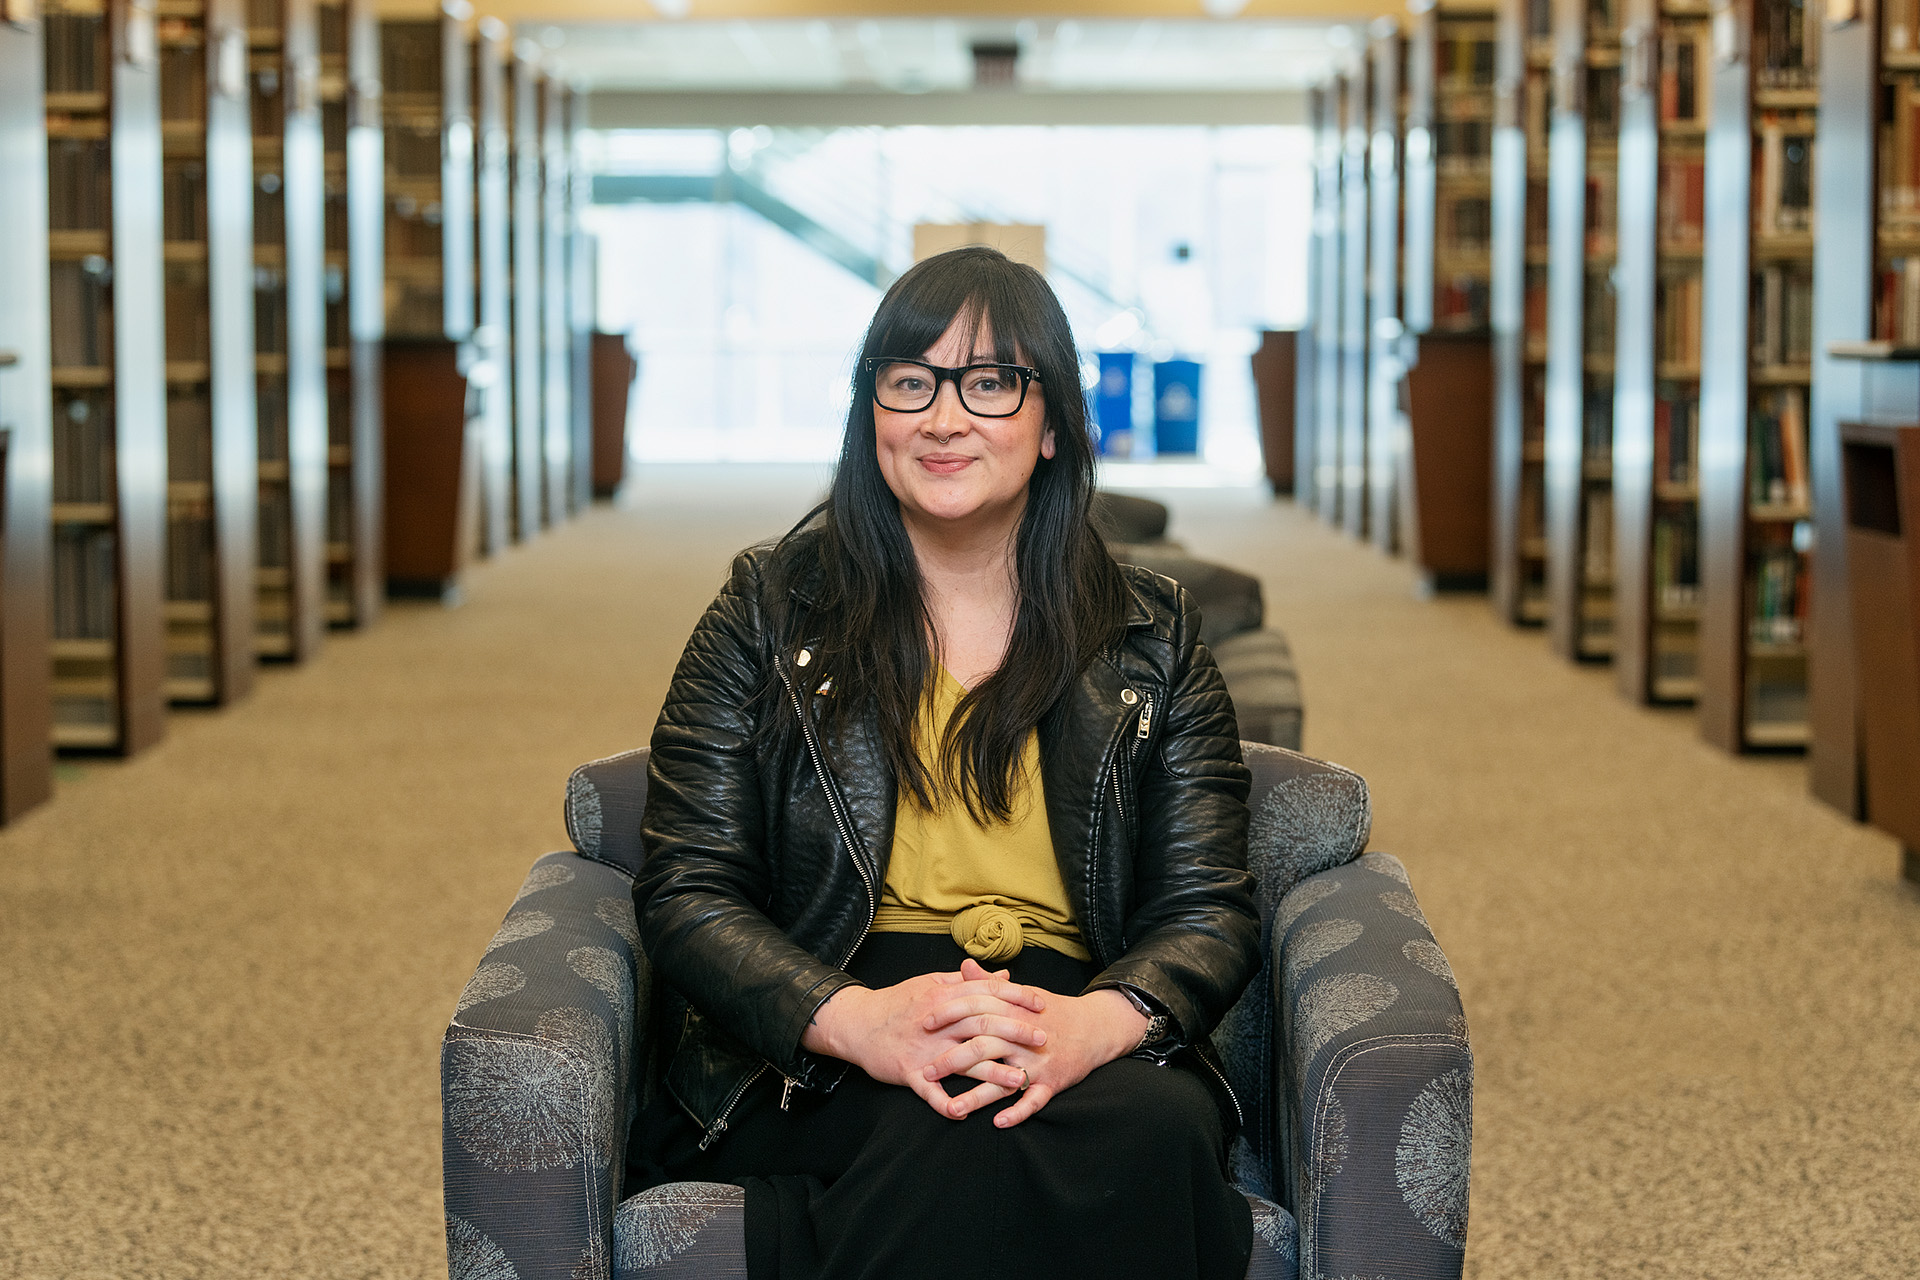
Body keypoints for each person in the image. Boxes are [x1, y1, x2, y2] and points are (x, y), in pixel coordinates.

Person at [630, 246, 1261, 1280]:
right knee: (967, 1127)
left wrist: (1092, 1026)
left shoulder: (1154, 631)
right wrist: (863, 1022)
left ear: (1051, 421)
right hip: (830, 1013)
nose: (943, 415)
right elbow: (688, 886)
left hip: (1072, 1002)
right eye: (910, 379)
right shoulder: (763, 605)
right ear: (870, 408)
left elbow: (1211, 905)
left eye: (991, 381)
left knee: (1141, 1124)